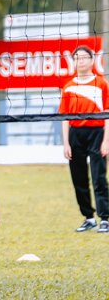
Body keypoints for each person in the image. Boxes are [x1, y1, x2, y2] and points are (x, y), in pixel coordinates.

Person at [59, 45, 109, 233]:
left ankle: (105, 218)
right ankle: (88, 218)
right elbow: (64, 117)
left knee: (99, 177)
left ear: (91, 60)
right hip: (75, 135)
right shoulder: (69, 87)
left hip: (97, 133)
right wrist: (66, 143)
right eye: (77, 58)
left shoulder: (101, 83)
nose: (80, 61)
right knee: (78, 178)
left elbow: (106, 114)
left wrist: (106, 140)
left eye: (84, 58)